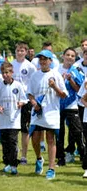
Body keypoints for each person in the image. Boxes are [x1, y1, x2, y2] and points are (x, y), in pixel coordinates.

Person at [27, 50, 67, 180]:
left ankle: (51, 168)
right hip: (38, 113)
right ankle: (39, 158)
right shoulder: (35, 75)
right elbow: (30, 93)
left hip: (52, 113)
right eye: (41, 59)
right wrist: (34, 103)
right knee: (35, 139)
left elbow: (64, 95)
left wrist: (54, 86)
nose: (43, 61)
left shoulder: (56, 75)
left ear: (51, 61)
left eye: (45, 59)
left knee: (50, 139)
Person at [0, 62, 28, 174]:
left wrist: (21, 103)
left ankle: (14, 165)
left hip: (14, 119)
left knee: (13, 141)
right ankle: (7, 163)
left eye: (7, 72)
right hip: (3, 120)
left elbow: (24, 99)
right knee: (4, 142)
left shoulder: (18, 85)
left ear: (12, 72)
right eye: (3, 73)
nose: (5, 75)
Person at [56, 48, 84, 166]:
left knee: (77, 131)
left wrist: (70, 80)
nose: (70, 58)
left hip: (72, 104)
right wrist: (61, 81)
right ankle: (60, 158)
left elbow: (79, 90)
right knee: (59, 133)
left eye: (72, 56)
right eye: (67, 55)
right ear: (63, 56)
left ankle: (83, 155)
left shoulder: (77, 70)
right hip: (58, 104)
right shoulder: (56, 69)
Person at [11, 42, 37, 165]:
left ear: (26, 52)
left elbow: (33, 83)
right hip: (13, 100)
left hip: (26, 101)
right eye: (18, 50)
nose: (20, 53)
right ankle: (13, 152)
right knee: (12, 128)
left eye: (22, 51)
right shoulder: (11, 65)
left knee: (24, 129)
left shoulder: (30, 66)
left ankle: (24, 155)